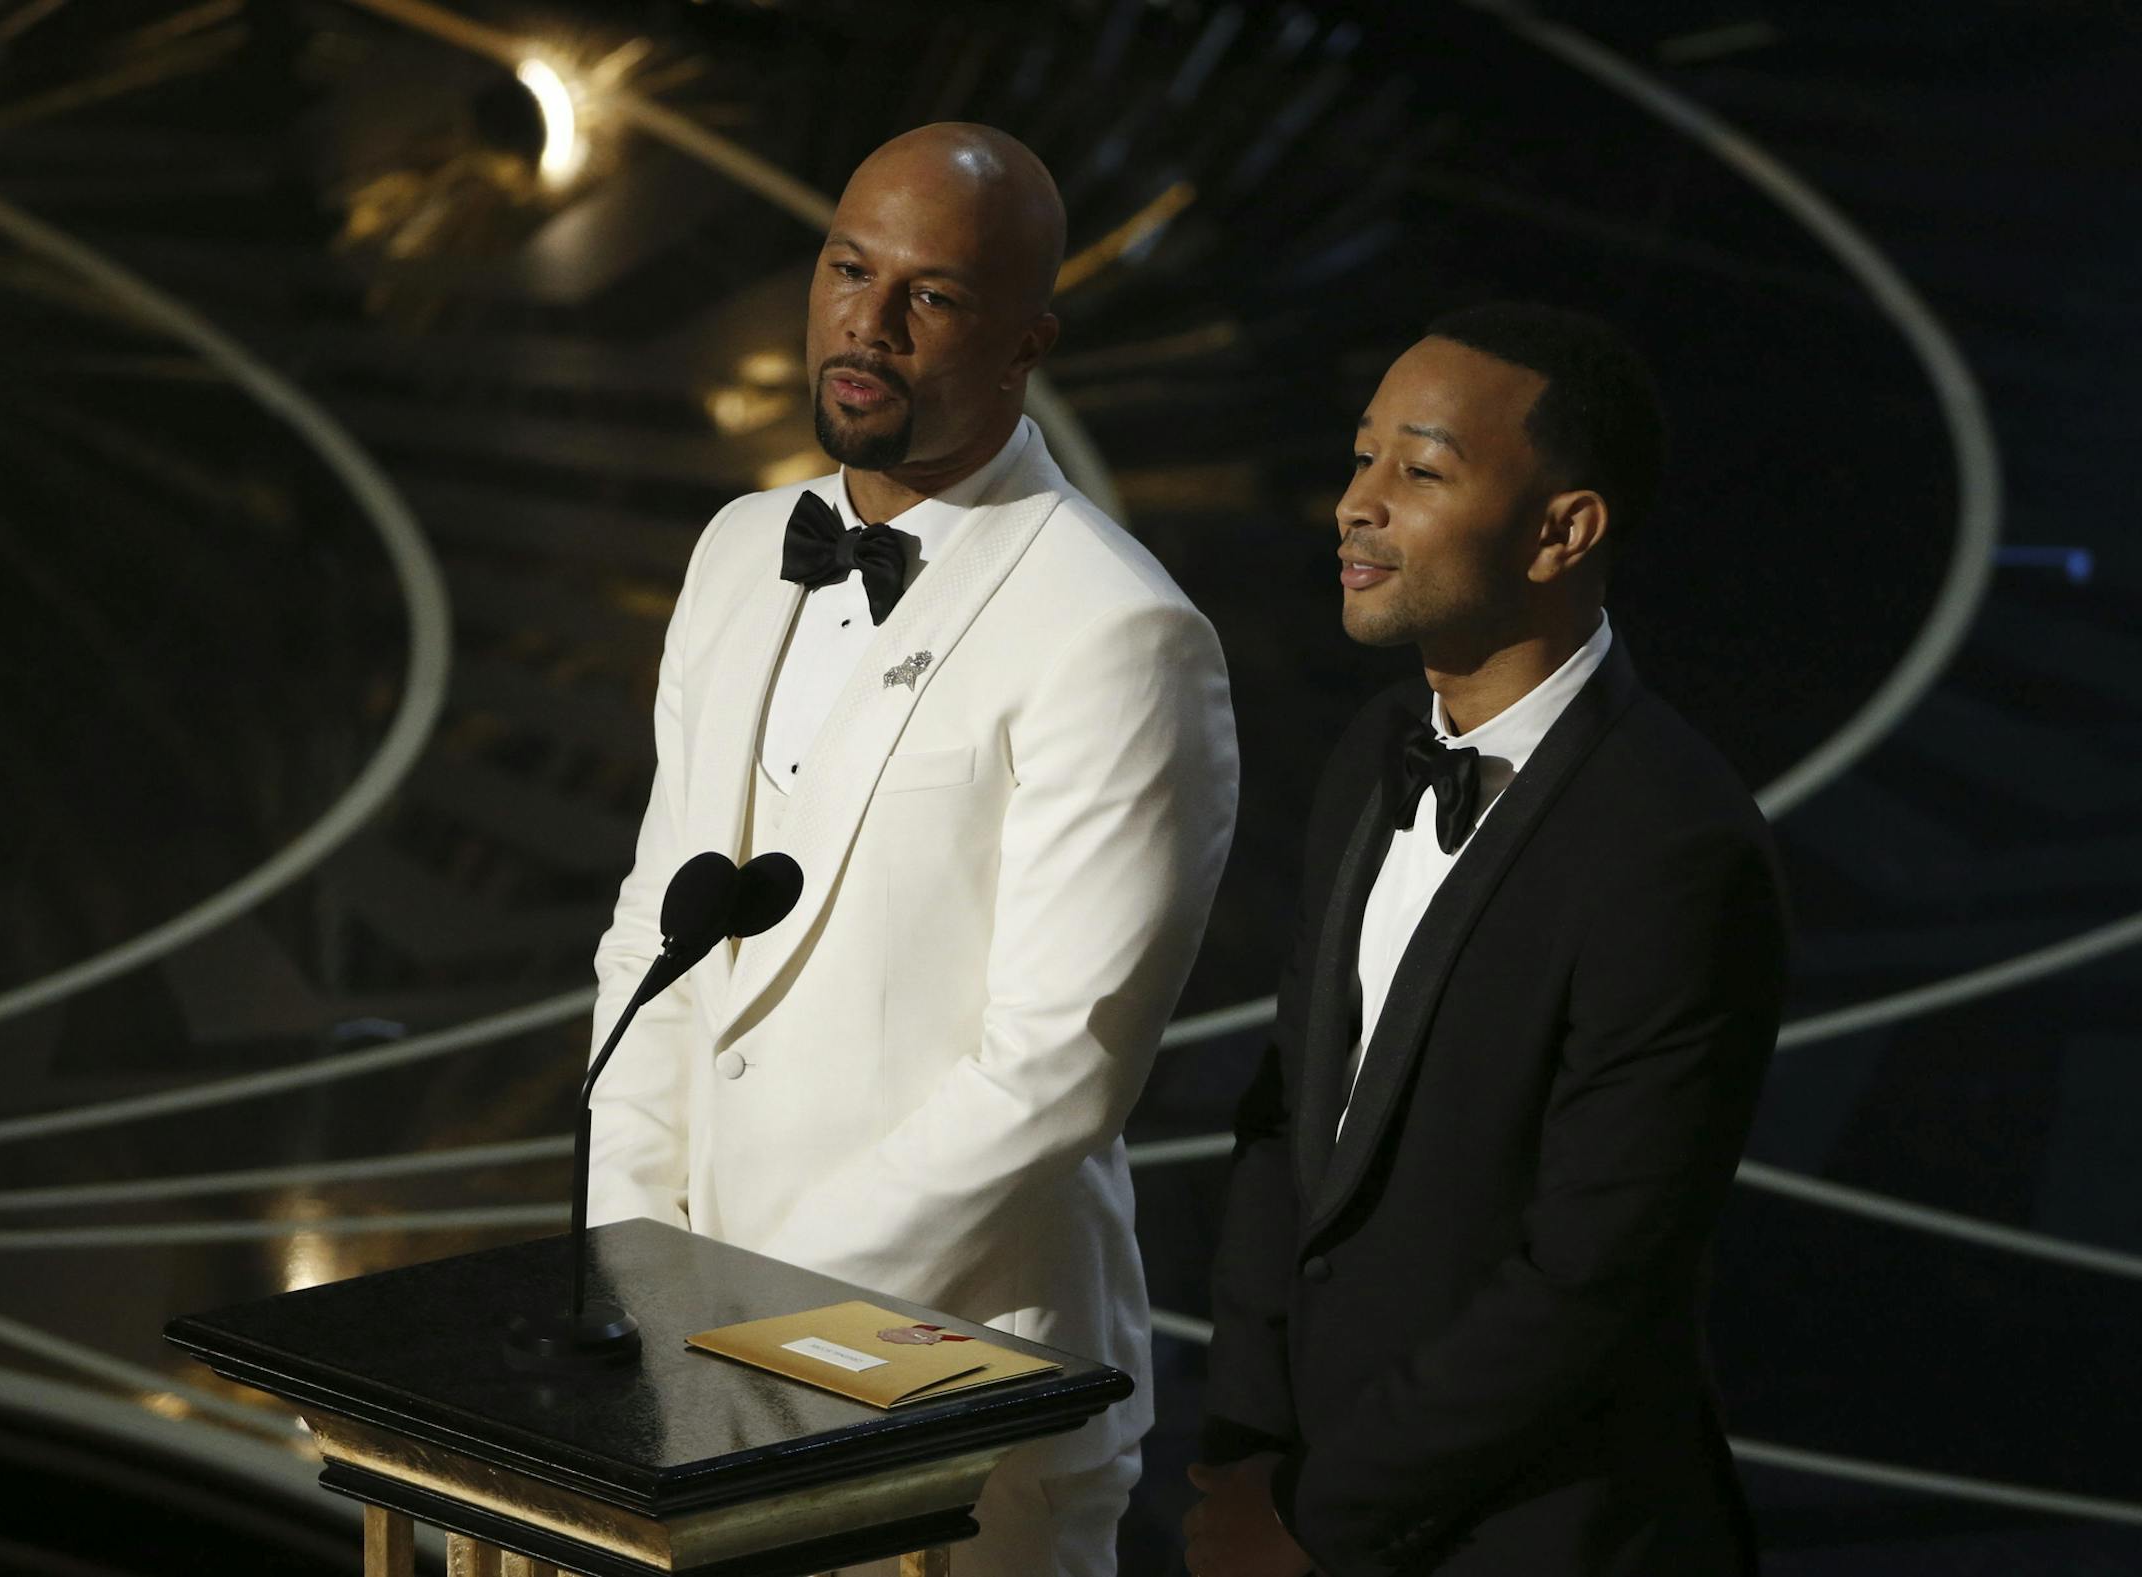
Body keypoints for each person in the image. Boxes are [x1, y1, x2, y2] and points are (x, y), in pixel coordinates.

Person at [586, 123, 1238, 1574]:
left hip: (955, 1392)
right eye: (847, 270)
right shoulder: (737, 548)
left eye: (930, 296)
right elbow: (654, 938)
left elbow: (1055, 1064)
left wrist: (757, 1311)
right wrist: (637, 1265)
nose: (867, 325)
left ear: (1026, 345)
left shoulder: (1119, 631)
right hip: (684, 1372)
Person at [1186, 303, 1787, 1576]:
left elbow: (1590, 1278)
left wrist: (1318, 1515)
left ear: (1564, 530)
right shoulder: (1371, 752)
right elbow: (1287, 1117)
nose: (1357, 503)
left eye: (1420, 470)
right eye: (1362, 456)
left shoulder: (1676, 844)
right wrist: (1244, 1443)